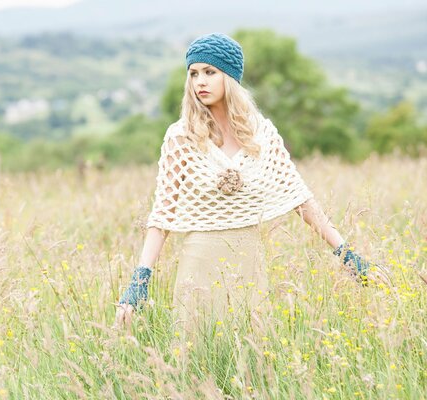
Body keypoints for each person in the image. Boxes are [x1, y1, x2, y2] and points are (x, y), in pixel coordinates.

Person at [113, 33, 390, 335]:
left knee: (251, 359)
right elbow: (162, 215)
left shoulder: (263, 135)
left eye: (210, 72)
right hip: (198, 267)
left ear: (229, 77)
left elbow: (301, 200)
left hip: (248, 264)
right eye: (193, 74)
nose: (199, 82)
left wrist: (348, 256)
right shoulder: (180, 137)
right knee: (194, 358)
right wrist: (139, 280)